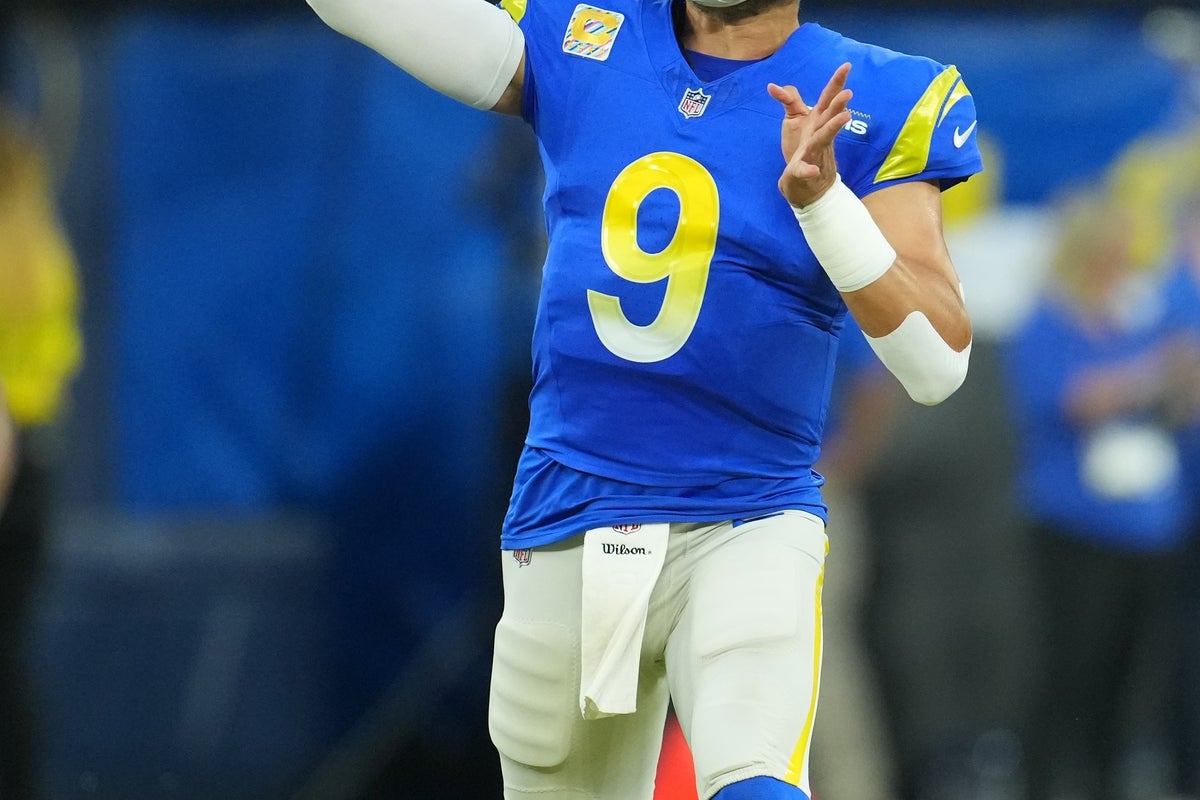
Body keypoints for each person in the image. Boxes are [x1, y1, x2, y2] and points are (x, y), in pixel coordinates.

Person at [305, 1, 982, 798]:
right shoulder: (581, 31)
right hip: (571, 512)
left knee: (755, 780)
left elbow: (938, 361)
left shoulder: (880, 91)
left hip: (746, 514)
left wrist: (825, 204)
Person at [1002, 190, 1200, 800]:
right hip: (1075, 529)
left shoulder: (1138, 315)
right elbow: (1072, 399)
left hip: (1149, 528)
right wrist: (1151, 376)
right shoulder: (1047, 323)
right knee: (1071, 672)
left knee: (1133, 678)